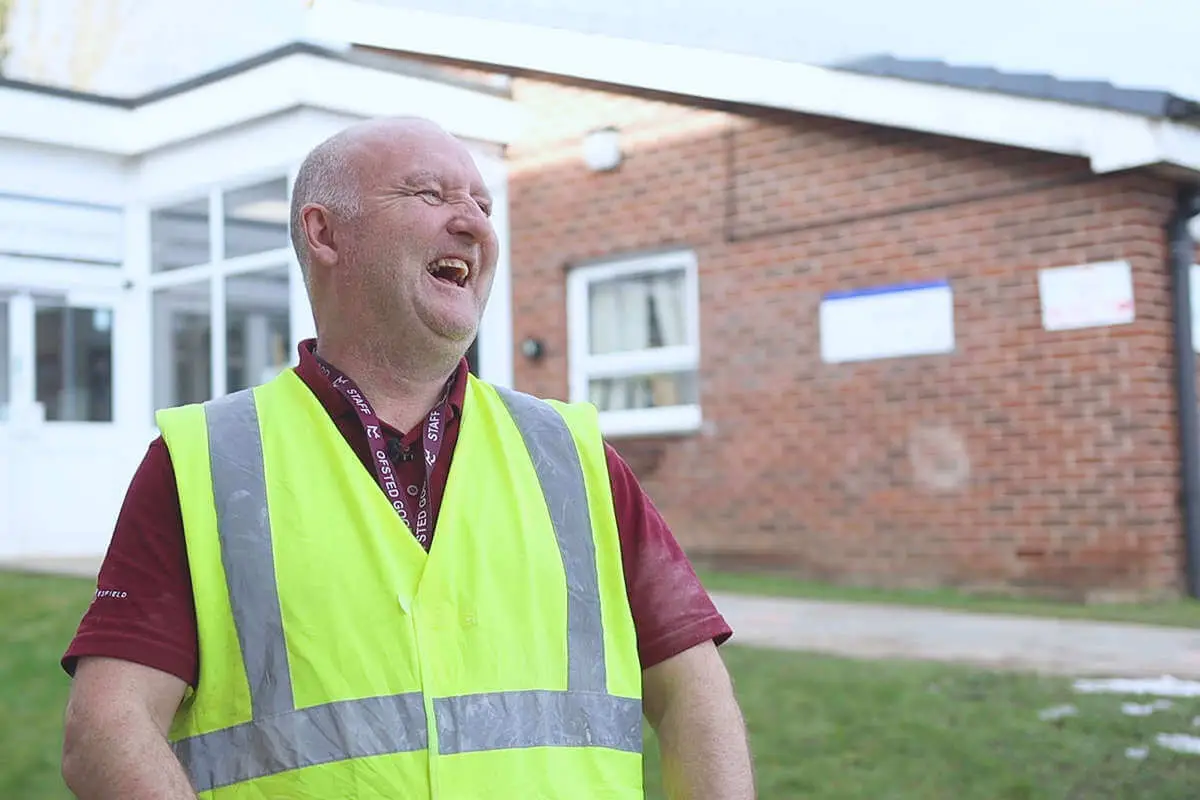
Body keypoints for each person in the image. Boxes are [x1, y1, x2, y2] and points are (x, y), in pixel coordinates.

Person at [59, 116, 755, 799]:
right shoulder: (206, 464)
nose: (475, 223)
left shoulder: (573, 459)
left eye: (482, 204)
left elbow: (694, 693)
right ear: (324, 233)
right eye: (430, 195)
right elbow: (106, 729)